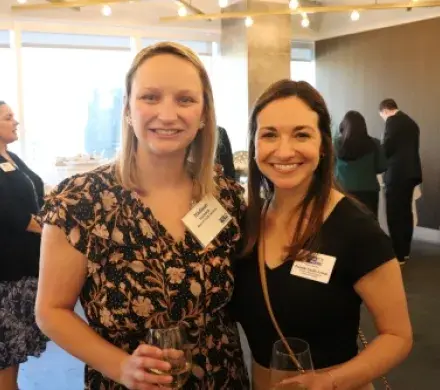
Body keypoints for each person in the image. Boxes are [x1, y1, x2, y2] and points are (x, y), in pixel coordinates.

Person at [36, 42, 249, 390]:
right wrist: (121, 367)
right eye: (150, 97)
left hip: (223, 378)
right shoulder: (81, 201)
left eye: (185, 99)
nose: (167, 115)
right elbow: (51, 312)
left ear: (204, 113)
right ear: (127, 108)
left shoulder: (223, 197)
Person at [232, 80, 412, 390]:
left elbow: (397, 336)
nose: (284, 150)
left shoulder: (356, 228)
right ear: (254, 145)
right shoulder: (247, 222)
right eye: (269, 134)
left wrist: (330, 382)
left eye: (301, 134)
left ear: (324, 145)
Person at [0, 101, 48, 390]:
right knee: (5, 356)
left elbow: (37, 193)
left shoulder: (12, 157)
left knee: (12, 355)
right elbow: (8, 211)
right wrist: (49, 231)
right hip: (5, 273)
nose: (15, 122)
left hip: (23, 269)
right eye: (8, 118)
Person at [379, 99, 422, 265]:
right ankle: (405, 250)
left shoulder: (392, 121)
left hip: (397, 174)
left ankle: (398, 254)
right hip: (412, 173)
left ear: (384, 111)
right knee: (406, 212)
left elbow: (387, 148)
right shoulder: (411, 122)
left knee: (394, 214)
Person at [333, 110, 387, 217]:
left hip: (343, 190)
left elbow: (330, 166)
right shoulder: (374, 143)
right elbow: (382, 166)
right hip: (369, 191)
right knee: (369, 224)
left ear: (343, 126)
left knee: (345, 223)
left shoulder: (336, 143)